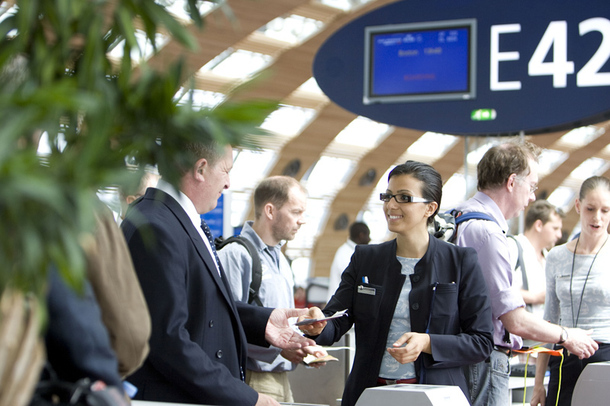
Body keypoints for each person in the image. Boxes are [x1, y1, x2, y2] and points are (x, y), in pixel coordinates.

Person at [121, 142, 319, 406]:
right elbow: (167, 339)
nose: (227, 184)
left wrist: (264, 322)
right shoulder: (156, 226)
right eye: (226, 171)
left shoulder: (175, 219)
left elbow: (202, 304)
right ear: (201, 169)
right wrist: (246, 397)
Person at [303, 160, 495, 406]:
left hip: (436, 397)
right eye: (388, 196)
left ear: (430, 208)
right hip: (369, 395)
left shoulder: (460, 261)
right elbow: (337, 319)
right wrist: (319, 324)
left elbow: (481, 342)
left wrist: (428, 342)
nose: (391, 205)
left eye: (404, 197)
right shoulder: (365, 258)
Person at [453, 141, 598, 406]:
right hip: (482, 362)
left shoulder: (458, 217)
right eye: (531, 187)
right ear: (511, 183)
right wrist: (567, 335)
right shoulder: (488, 234)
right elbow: (515, 321)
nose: (532, 197)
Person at [218, 175, 326, 402]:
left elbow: (283, 325)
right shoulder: (236, 255)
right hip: (251, 378)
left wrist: (303, 347)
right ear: (270, 211)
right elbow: (225, 326)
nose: (302, 220)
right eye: (296, 212)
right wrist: (277, 350)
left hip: (282, 380)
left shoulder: (281, 260)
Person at [531, 176, 610, 406]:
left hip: (605, 356)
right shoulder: (557, 257)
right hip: (565, 355)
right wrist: (538, 385)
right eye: (590, 209)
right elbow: (549, 319)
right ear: (578, 206)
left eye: (605, 210)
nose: (597, 218)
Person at [509, 200, 564, 319]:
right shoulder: (513, 247)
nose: (559, 235)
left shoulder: (549, 258)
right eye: (555, 228)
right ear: (538, 225)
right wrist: (535, 297)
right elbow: (498, 290)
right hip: (516, 331)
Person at [326, 221, 371, 303]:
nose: (369, 239)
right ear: (361, 236)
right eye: (368, 236)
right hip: (340, 305)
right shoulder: (345, 254)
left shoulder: (352, 251)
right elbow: (353, 282)